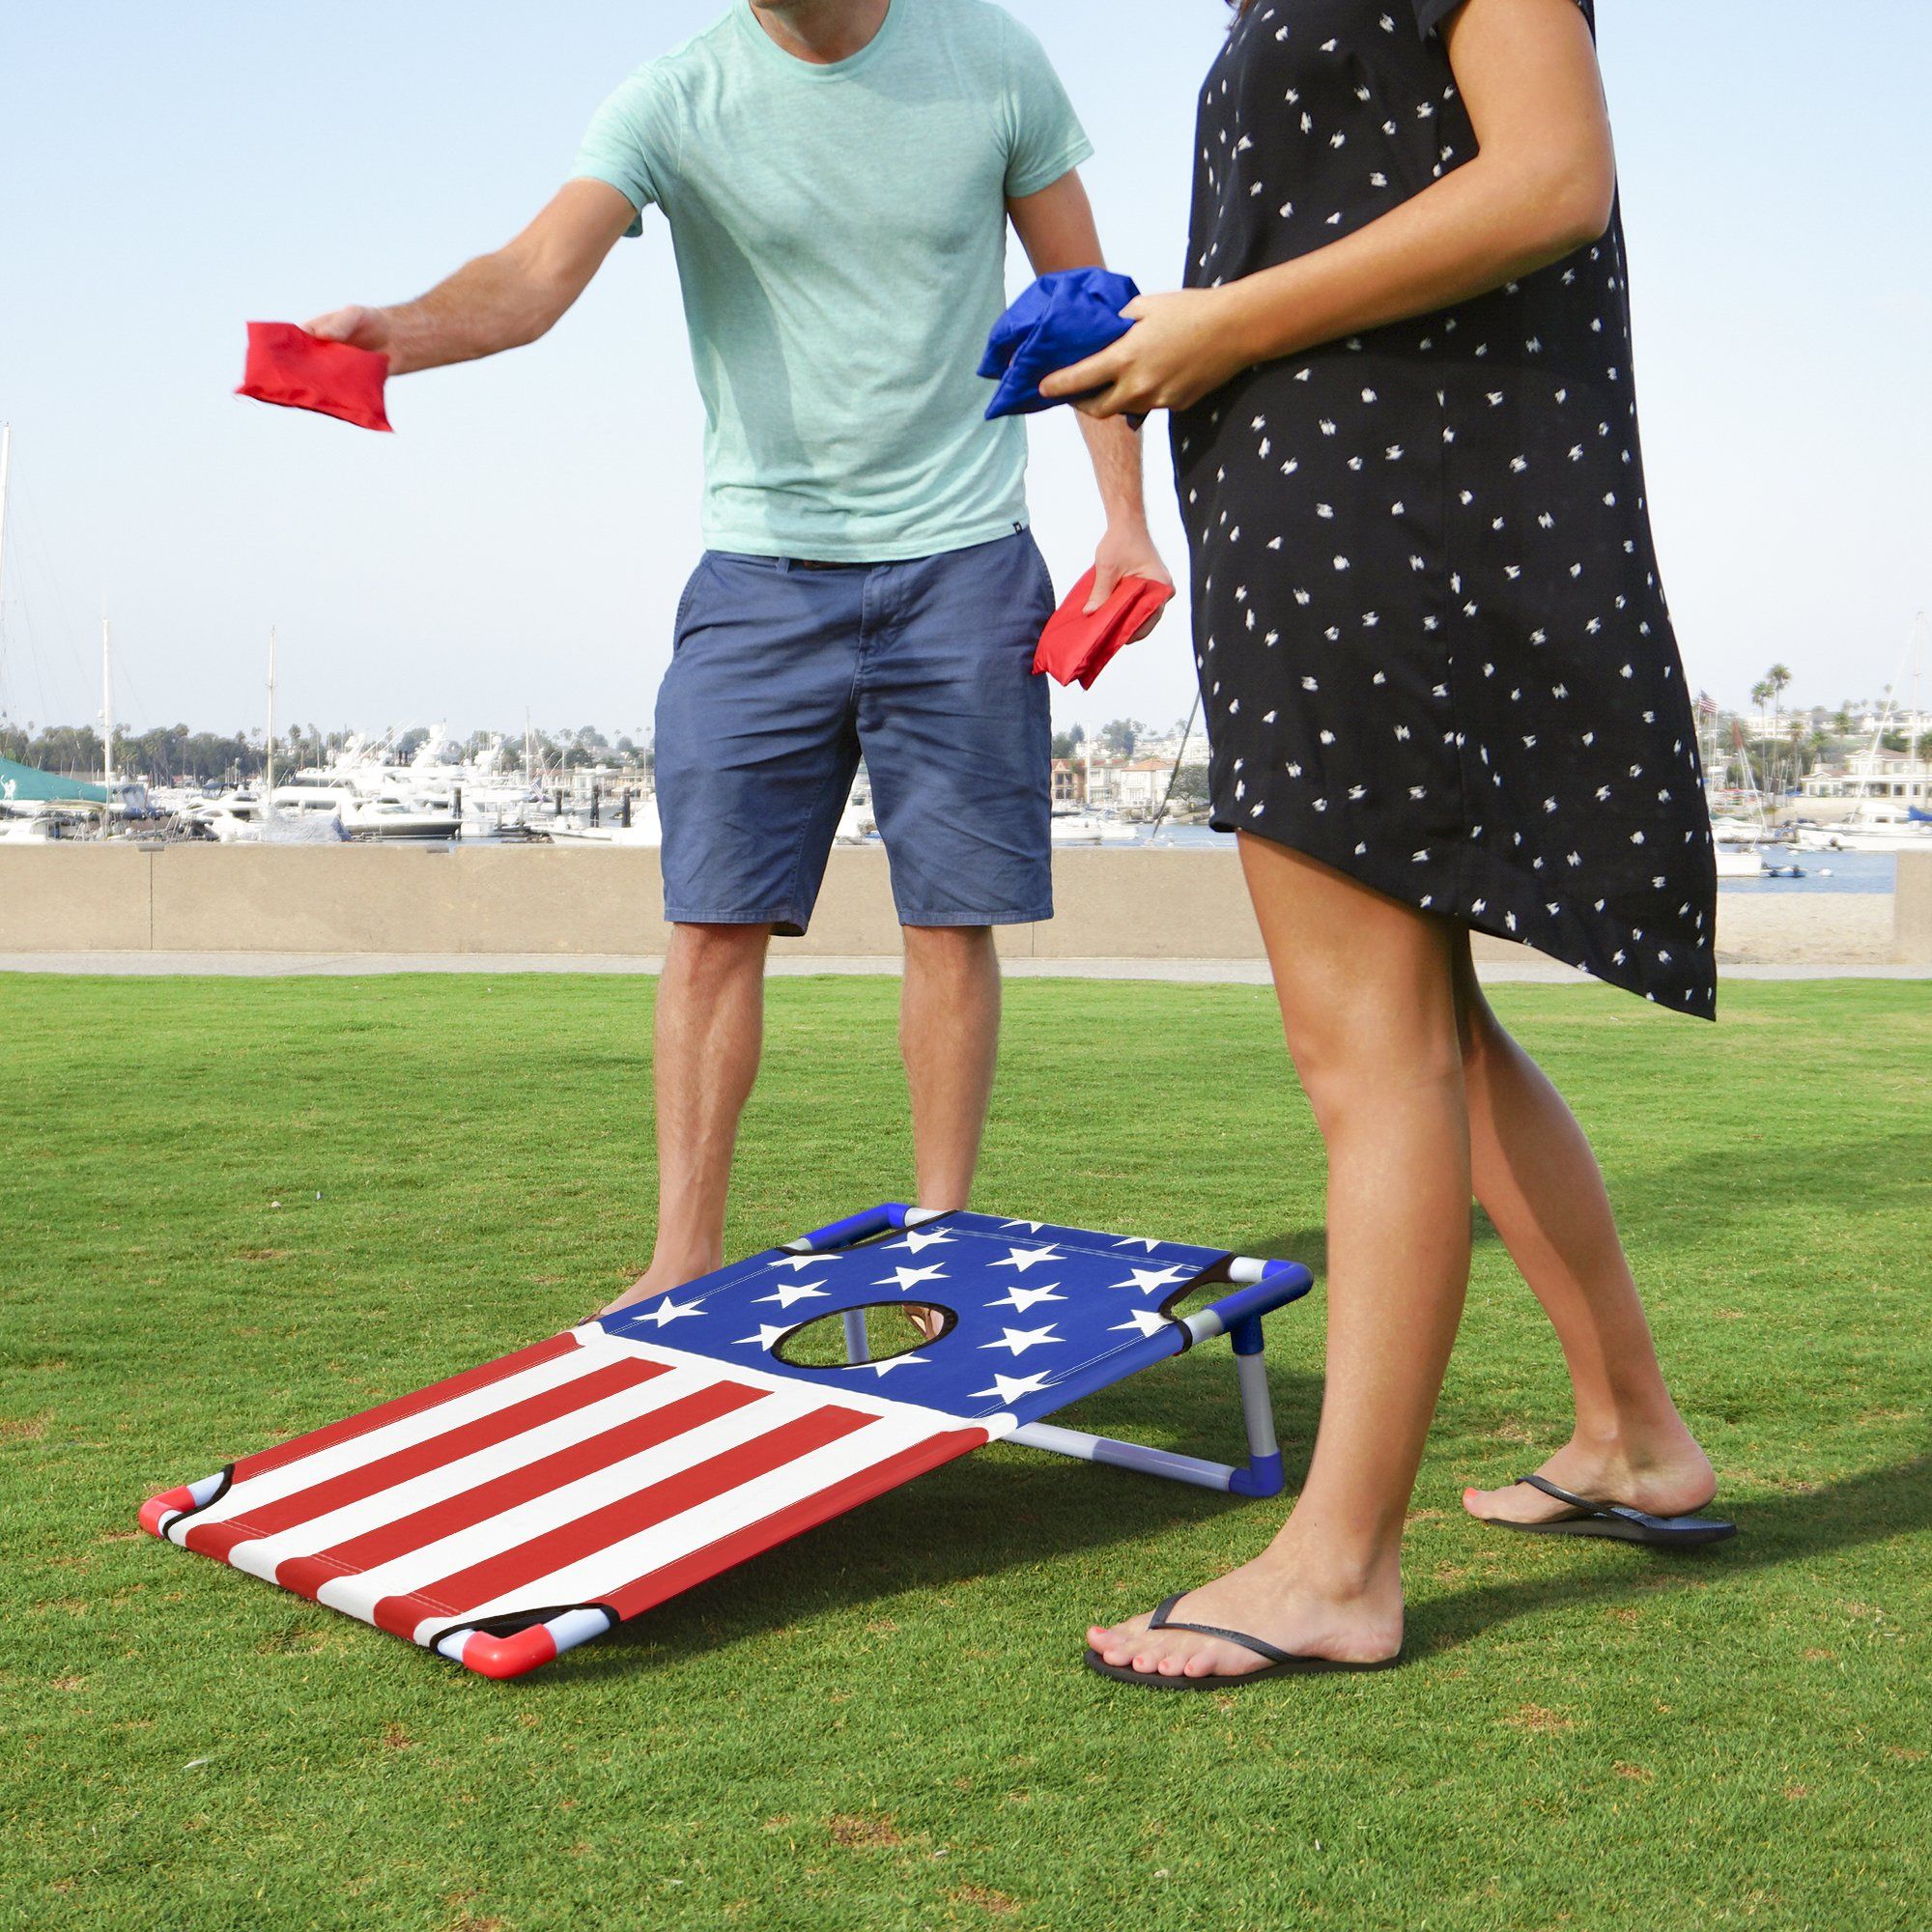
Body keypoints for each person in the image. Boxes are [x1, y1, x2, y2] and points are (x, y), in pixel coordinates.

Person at [1047, 0, 1729, 1685]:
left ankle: (1339, 1567)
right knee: (1437, 1034)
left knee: (1370, 1051)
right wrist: (1160, 329)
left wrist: (1220, 327)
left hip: (1381, 504)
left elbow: (1553, 179)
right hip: (1345, 495)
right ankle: (1635, 1437)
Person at [306, 0, 1169, 1316]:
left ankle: (943, 1241)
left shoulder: (990, 61)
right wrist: (402, 333)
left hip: (964, 559)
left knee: (949, 921)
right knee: (710, 923)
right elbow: (534, 277)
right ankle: (683, 1255)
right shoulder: (673, 98)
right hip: (761, 574)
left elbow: (1084, 313)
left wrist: (1124, 517)